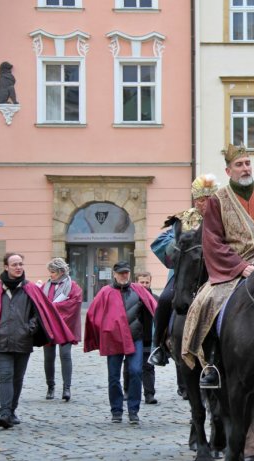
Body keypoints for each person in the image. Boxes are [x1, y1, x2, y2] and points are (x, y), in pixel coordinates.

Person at [181, 144, 254, 388]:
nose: (245, 169)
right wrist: (241, 267)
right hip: (235, 270)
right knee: (206, 302)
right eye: (239, 165)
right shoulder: (217, 202)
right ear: (228, 171)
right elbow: (212, 240)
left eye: (247, 163)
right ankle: (211, 362)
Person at [0, 252, 76, 429]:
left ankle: (12, 410)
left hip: (22, 341)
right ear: (6, 267)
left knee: (17, 378)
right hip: (0, 342)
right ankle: (5, 413)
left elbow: (39, 314)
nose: (18, 267)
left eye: (20, 264)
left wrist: (29, 329)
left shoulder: (30, 288)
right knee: (5, 376)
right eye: (14, 264)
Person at [148, 173, 220, 401]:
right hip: (185, 276)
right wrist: (179, 249)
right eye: (200, 199)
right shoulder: (183, 220)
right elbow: (160, 243)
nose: (204, 203)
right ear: (194, 200)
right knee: (164, 300)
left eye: (209, 198)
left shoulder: (224, 219)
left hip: (217, 274)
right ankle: (158, 345)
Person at [84, 261, 157, 424]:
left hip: (135, 337)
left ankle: (133, 410)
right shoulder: (105, 292)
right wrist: (104, 329)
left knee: (136, 371)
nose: (124, 275)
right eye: (121, 273)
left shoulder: (138, 290)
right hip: (114, 340)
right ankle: (116, 410)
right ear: (114, 274)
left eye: (126, 272)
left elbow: (153, 308)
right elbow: (93, 314)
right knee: (114, 376)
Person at [41, 258, 82, 402]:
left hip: (66, 327)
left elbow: (74, 304)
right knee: (49, 357)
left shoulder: (73, 286)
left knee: (65, 355)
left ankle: (66, 388)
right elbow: (40, 304)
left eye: (53, 272)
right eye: (50, 272)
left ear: (61, 272)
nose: (50, 275)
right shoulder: (46, 286)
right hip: (49, 326)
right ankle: (50, 387)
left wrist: (52, 307)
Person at [122, 272, 158, 404]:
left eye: (146, 282)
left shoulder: (155, 299)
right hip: (132, 337)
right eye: (141, 282)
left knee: (148, 366)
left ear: (150, 282)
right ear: (136, 282)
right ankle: (127, 391)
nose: (144, 285)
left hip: (149, 338)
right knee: (129, 365)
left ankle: (149, 394)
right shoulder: (128, 298)